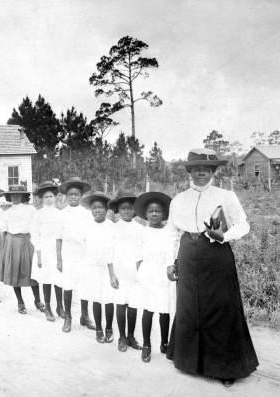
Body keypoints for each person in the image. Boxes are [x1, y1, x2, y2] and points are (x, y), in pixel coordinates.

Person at [166, 148, 258, 387]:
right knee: (189, 306)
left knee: (220, 307)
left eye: (205, 169)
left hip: (215, 252)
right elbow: (172, 234)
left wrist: (224, 236)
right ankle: (190, 362)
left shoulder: (226, 196)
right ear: (189, 171)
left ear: (213, 171)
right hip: (187, 253)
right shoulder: (179, 199)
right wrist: (170, 261)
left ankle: (226, 367)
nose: (200, 174)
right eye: (196, 169)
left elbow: (243, 225)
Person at [132, 192, 175, 363]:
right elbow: (138, 255)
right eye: (151, 211)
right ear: (146, 214)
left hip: (163, 272)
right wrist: (140, 275)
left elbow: (173, 251)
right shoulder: (143, 232)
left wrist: (170, 267)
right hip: (148, 272)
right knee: (148, 310)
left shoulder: (169, 232)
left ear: (163, 213)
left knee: (164, 310)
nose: (154, 214)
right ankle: (147, 345)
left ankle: (165, 343)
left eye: (158, 211)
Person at [0, 185, 44, 315]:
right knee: (14, 272)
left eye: (18, 194)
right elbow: (3, 232)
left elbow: (37, 228)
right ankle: (20, 302)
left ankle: (38, 300)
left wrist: (37, 244)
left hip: (28, 241)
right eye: (13, 195)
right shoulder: (6, 212)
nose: (15, 197)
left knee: (32, 271)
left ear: (23, 196)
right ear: (9, 196)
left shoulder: (31, 210)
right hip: (12, 242)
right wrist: (3, 249)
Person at [78, 192, 120, 343]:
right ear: (91, 210)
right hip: (92, 267)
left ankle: (109, 327)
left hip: (108, 268)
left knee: (108, 299)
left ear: (106, 209)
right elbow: (83, 247)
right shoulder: (87, 227)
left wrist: (112, 273)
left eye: (100, 207)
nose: (97, 210)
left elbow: (112, 250)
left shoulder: (111, 227)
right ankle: (98, 328)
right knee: (96, 298)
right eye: (94, 208)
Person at [56, 176, 95, 332]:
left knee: (84, 284)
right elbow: (58, 239)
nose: (73, 197)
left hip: (83, 253)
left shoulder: (86, 213)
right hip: (68, 252)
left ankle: (84, 316)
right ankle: (68, 318)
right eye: (71, 194)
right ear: (66, 196)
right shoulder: (62, 213)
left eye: (76, 194)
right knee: (68, 285)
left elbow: (90, 236)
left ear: (81, 196)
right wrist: (59, 259)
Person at [109, 192, 144, 352]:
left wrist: (141, 273)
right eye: (123, 208)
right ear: (118, 210)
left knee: (133, 304)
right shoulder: (113, 228)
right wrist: (112, 274)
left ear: (135, 210)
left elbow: (142, 252)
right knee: (121, 303)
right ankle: (121, 336)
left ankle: (131, 336)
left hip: (134, 271)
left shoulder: (140, 228)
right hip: (119, 270)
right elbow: (108, 253)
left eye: (130, 208)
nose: (126, 211)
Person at [30, 181, 64, 321]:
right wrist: (39, 255)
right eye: (46, 197)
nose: (49, 199)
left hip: (57, 249)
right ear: (41, 199)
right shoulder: (38, 214)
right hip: (44, 249)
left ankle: (60, 306)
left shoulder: (60, 213)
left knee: (58, 278)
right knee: (46, 278)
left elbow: (62, 233)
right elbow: (35, 235)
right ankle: (48, 307)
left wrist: (61, 254)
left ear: (55, 197)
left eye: (51, 196)